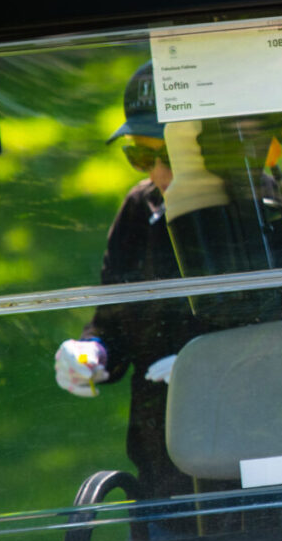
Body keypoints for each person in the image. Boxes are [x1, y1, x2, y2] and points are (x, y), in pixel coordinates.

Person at [53, 62, 207, 499]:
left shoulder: (266, 204)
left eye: (171, 156)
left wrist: (207, 364)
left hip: (256, 456)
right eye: (140, 156)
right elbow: (115, 323)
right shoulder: (140, 208)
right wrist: (92, 352)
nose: (157, 173)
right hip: (162, 462)